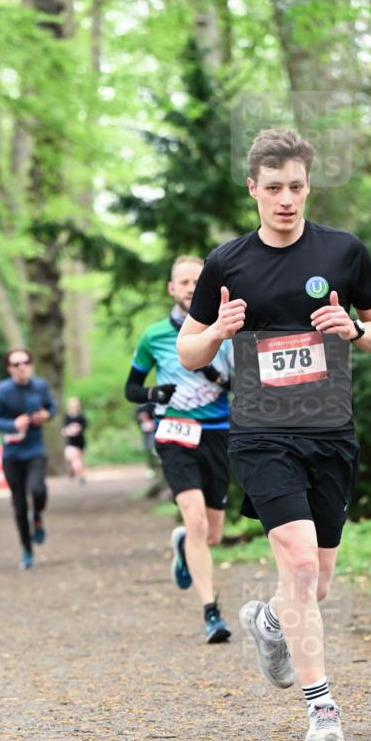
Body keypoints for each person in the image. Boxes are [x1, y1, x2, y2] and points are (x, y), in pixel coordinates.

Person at [177, 128, 371, 741]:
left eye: (296, 187)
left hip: (330, 434)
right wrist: (217, 329)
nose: (286, 200)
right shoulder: (227, 261)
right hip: (262, 433)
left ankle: (269, 620)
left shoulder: (344, 253)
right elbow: (190, 353)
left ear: (307, 187)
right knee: (297, 562)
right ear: (253, 189)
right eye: (273, 189)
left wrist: (352, 329)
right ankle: (321, 709)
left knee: (315, 583)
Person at [125, 255, 234, 644]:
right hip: (174, 434)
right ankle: (211, 614)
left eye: (197, 282)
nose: (190, 288)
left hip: (218, 433)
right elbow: (132, 388)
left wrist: (215, 372)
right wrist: (154, 393)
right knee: (197, 523)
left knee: (213, 533)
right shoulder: (154, 335)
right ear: (171, 289)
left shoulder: (227, 329)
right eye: (183, 282)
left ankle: (183, 545)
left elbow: (242, 383)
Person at [0, 349, 57, 569]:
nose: (22, 367)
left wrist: (46, 415)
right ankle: (27, 550)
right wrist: (12, 424)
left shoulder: (40, 386)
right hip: (12, 454)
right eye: (16, 364)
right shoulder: (2, 390)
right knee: (19, 504)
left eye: (25, 362)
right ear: (9, 368)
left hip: (34, 449)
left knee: (37, 490)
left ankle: (38, 517)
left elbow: (52, 407)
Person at [62, 397, 87, 483]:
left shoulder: (81, 416)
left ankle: (81, 476)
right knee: (71, 459)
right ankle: (74, 472)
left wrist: (78, 429)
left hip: (79, 441)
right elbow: (64, 430)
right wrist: (68, 431)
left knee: (78, 459)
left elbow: (84, 427)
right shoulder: (66, 417)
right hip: (70, 442)